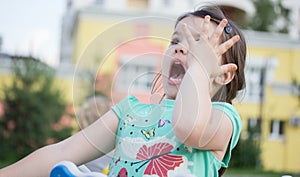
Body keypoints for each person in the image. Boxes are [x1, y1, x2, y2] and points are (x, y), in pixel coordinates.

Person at [0, 5, 246, 177]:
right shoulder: (131, 111)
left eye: (199, 46)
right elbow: (63, 150)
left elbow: (188, 128)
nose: (181, 49)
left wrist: (199, 70)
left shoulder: (222, 117)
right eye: (175, 41)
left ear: (224, 75)